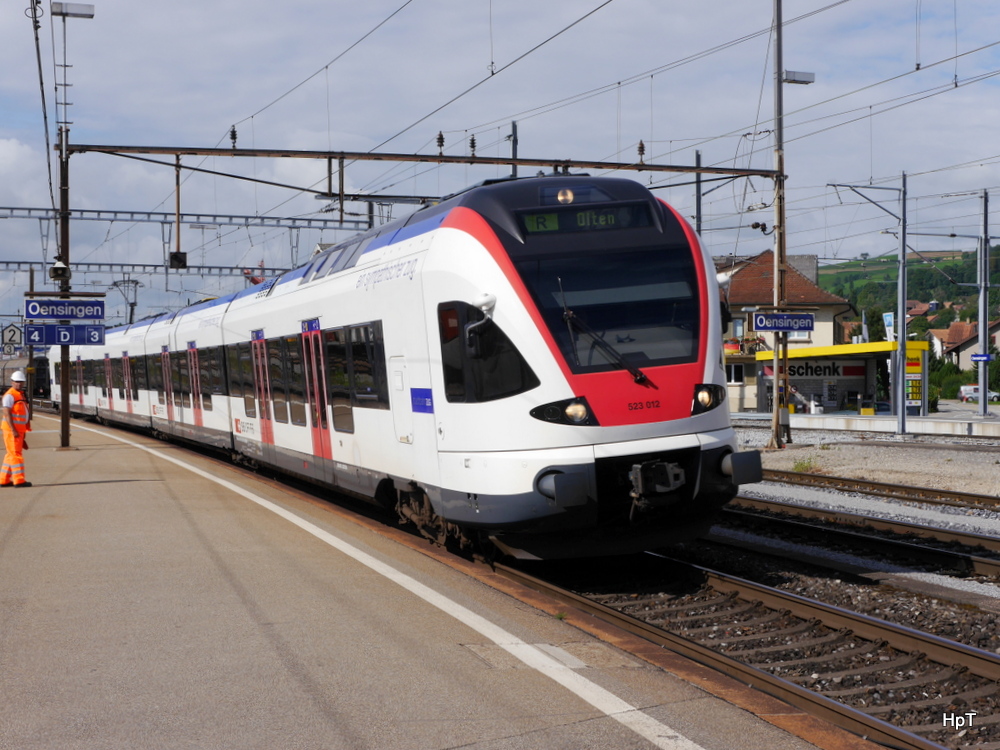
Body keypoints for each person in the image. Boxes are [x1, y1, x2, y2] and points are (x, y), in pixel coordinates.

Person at [1, 370, 32, 488]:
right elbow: (7, 414)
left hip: (19, 430)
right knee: (16, 454)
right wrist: (13, 430)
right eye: (16, 382)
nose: (19, 384)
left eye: (21, 382)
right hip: (12, 430)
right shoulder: (10, 395)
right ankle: (19, 480)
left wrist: (23, 433)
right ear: (12, 382)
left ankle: (4, 480)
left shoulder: (20, 395)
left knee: (10, 455)